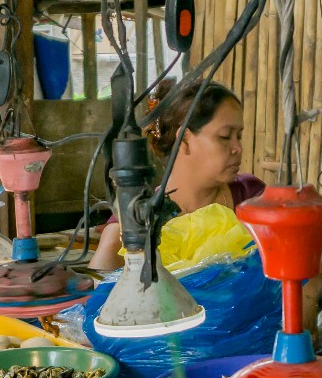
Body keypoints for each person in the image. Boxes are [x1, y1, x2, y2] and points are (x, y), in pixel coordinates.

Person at [91, 80, 261, 271]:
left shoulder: (252, 198)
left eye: (239, 136)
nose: (238, 148)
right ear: (185, 139)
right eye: (224, 136)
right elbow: (99, 291)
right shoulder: (135, 222)